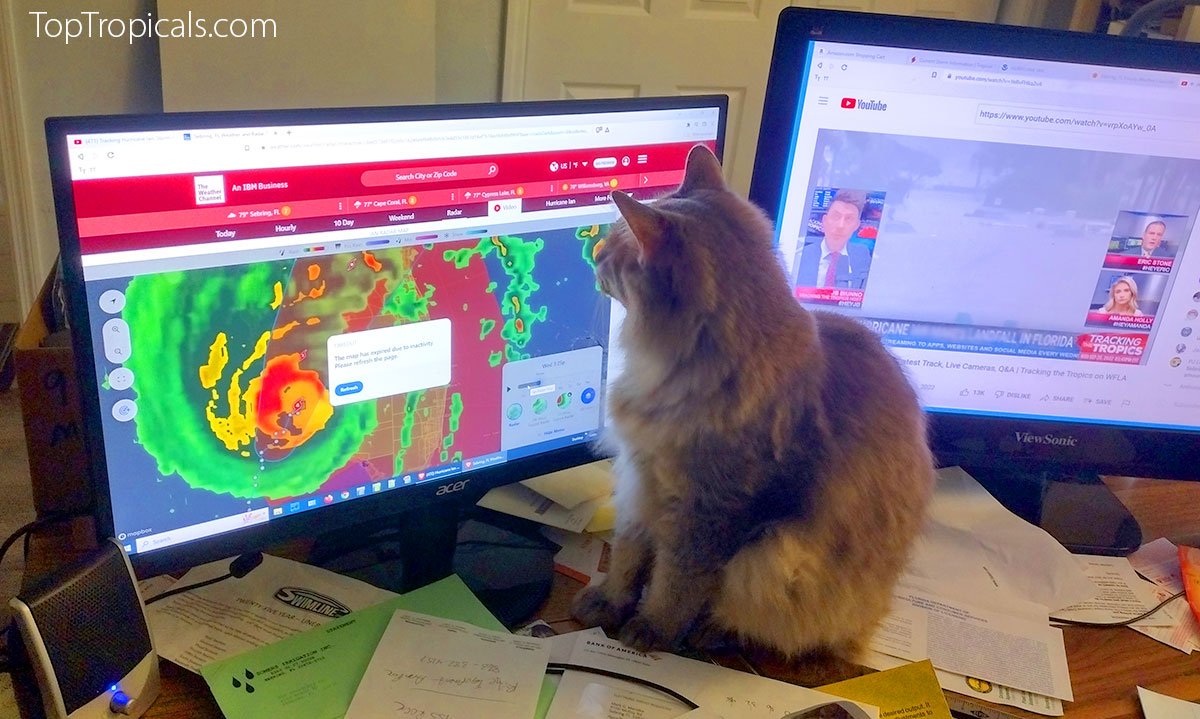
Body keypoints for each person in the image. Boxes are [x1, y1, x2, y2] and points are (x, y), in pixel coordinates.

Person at [794, 189, 873, 289]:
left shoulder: (863, 256)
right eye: (836, 216)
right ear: (824, 221)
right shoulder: (801, 256)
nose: (840, 225)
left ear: (856, 226)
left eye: (848, 219)